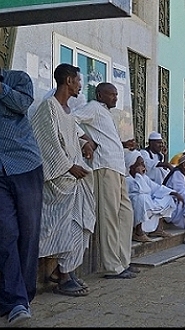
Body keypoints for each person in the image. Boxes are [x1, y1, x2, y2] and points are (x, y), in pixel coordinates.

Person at [30, 63, 96, 297]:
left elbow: (69, 138)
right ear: (68, 81)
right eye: (78, 80)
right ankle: (63, 276)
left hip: (75, 179)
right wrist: (69, 166)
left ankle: (64, 270)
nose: (80, 85)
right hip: (59, 179)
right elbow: (46, 143)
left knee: (82, 223)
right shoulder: (48, 107)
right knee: (58, 227)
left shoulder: (67, 111)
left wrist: (84, 143)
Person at [72, 82, 139, 280]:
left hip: (118, 169)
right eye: (111, 95)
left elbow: (106, 138)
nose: (115, 98)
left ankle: (123, 261)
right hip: (105, 167)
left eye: (116, 95)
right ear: (100, 95)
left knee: (126, 215)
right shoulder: (93, 107)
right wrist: (85, 140)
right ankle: (112, 267)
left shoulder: (107, 114)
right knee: (109, 217)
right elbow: (70, 119)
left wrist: (124, 144)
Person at [0, 67, 44, 326]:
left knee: (29, 233)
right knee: (6, 233)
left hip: (25, 165)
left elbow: (22, 103)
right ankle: (15, 302)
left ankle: (23, 296)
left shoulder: (18, 79)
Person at [124, 149, 184, 242]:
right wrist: (139, 175)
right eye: (140, 164)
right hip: (137, 203)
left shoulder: (144, 177)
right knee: (141, 198)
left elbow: (156, 188)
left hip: (149, 202)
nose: (143, 166)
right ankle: (138, 232)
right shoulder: (128, 179)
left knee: (168, 197)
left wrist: (174, 193)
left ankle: (158, 229)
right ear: (132, 166)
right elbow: (141, 190)